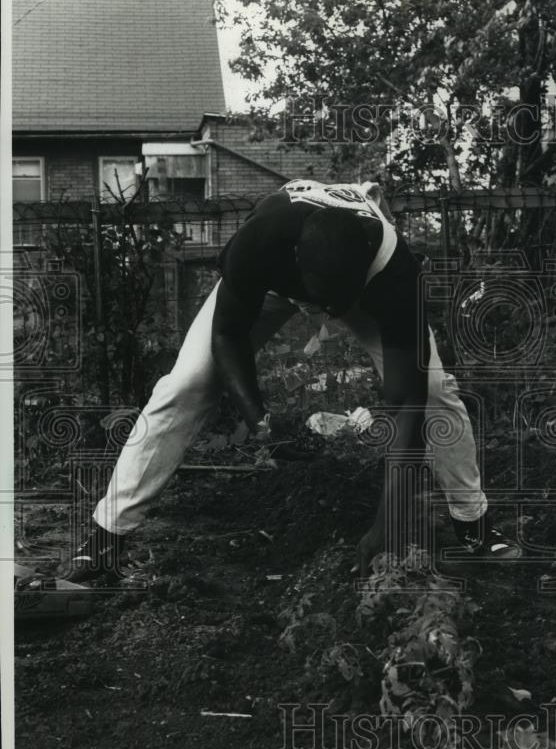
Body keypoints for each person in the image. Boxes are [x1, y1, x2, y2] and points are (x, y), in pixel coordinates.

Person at [64, 179, 521, 584]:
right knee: (185, 386)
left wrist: (390, 523)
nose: (325, 320)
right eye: (322, 304)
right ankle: (105, 542)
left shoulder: (395, 275)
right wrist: (260, 421)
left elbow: (408, 404)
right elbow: (227, 334)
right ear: (298, 264)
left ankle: (474, 525)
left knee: (437, 391)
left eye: (335, 307)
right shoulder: (258, 242)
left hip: (357, 282)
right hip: (278, 277)